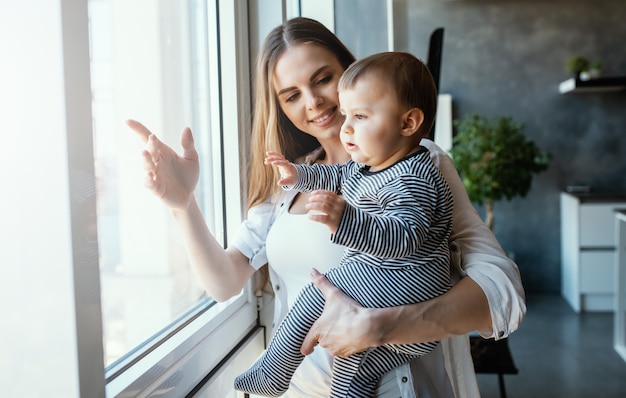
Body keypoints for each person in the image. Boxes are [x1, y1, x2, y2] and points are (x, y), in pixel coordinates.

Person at [127, 16, 526, 398]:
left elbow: (501, 289)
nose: (315, 101)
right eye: (292, 95)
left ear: (350, 72)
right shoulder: (289, 183)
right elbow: (224, 282)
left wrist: (381, 327)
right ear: (280, 107)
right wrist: (183, 204)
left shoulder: (419, 164)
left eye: (323, 78)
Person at [234, 51, 454, 398]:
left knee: (316, 295)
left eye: (361, 116)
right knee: (356, 369)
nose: (347, 126)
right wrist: (296, 176)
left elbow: (406, 237)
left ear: (408, 123)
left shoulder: (413, 174)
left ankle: (275, 368)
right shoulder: (370, 165)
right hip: (397, 298)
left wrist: (347, 220)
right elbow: (333, 174)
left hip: (409, 282)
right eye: (347, 114)